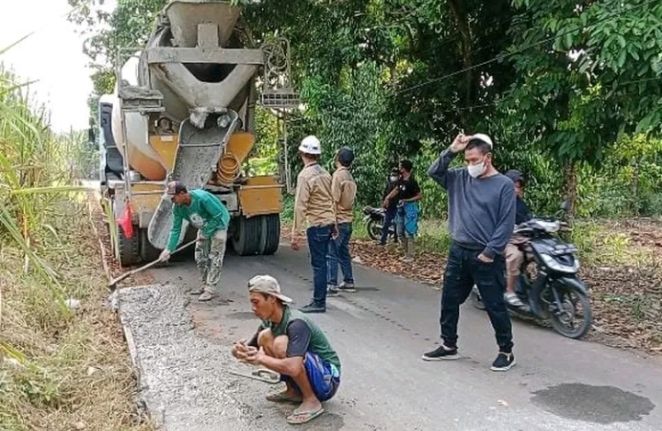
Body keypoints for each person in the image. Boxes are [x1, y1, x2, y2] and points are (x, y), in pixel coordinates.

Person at [424, 133, 517, 371]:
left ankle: (506, 350)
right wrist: (451, 150)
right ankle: (448, 344)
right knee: (449, 299)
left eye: (474, 159)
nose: (470, 165)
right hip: (458, 251)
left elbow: (505, 224)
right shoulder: (459, 178)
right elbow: (433, 172)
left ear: (488, 158)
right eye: (466, 160)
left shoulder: (504, 186)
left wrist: (490, 252)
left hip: (485, 256)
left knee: (494, 304)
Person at [232, 275, 341, 425]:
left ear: (272, 299)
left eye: (256, 302)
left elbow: (293, 367)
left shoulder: (296, 323)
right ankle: (294, 391)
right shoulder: (269, 321)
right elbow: (252, 349)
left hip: (328, 380)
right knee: (265, 336)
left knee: (280, 343)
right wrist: (239, 350)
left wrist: (260, 358)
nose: (253, 308)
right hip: (313, 372)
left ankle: (311, 400)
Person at [159, 181, 230, 301]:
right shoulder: (177, 208)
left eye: (173, 197)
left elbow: (217, 215)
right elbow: (176, 229)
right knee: (200, 257)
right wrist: (169, 249)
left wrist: (207, 233)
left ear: (182, 193)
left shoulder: (202, 198)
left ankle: (210, 289)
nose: (172, 200)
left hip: (219, 224)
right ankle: (204, 284)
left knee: (215, 257)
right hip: (204, 226)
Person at [291, 135, 337, 313]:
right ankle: (321, 298)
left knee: (318, 264)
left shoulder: (305, 176)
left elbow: (300, 206)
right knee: (324, 261)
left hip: (316, 224)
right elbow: (332, 200)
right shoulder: (325, 173)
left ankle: (318, 302)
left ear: (302, 153)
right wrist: (335, 223)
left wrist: (296, 233)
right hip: (328, 223)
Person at [327, 147, 357, 295]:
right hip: (348, 219)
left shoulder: (337, 176)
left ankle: (331, 283)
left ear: (338, 158)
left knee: (331, 251)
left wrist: (333, 223)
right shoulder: (350, 177)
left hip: (339, 219)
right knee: (343, 252)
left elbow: (334, 201)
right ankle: (348, 280)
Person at [503, 169, 533, 307]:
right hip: (502, 241)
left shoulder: (520, 203)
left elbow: (528, 220)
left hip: (520, 239)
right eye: (513, 186)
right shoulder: (498, 202)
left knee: (539, 254)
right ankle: (510, 292)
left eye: (518, 186)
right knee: (515, 256)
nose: (516, 189)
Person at [383, 160, 421, 262]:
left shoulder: (412, 182)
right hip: (400, 207)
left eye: (400, 167)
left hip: (410, 207)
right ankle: (406, 253)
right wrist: (387, 198)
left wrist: (407, 200)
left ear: (404, 169)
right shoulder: (401, 180)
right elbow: (396, 190)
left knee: (409, 231)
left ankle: (411, 255)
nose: (399, 168)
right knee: (400, 231)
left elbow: (419, 196)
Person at [379, 167, 401, 246]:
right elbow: (385, 193)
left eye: (395, 175)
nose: (393, 176)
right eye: (392, 174)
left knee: (396, 224)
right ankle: (382, 241)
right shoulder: (389, 183)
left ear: (398, 175)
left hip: (397, 206)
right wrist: (383, 202)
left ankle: (396, 239)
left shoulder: (400, 185)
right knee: (385, 224)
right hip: (389, 206)